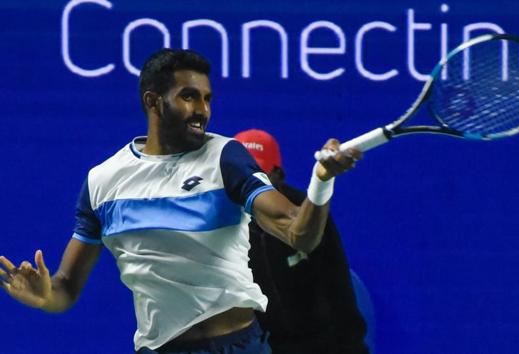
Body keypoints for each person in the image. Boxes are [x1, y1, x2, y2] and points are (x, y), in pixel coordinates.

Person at [0, 48, 360, 354]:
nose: (202, 109)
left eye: (207, 98)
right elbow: (65, 287)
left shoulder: (225, 157)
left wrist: (321, 182)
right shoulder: (102, 181)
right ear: (153, 102)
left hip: (238, 345)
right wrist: (44, 297)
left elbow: (300, 234)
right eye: (189, 96)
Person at [235, 129, 369, 354]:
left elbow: (339, 289)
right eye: (243, 176)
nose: (251, 187)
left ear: (277, 174)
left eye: (259, 176)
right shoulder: (222, 220)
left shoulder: (308, 214)